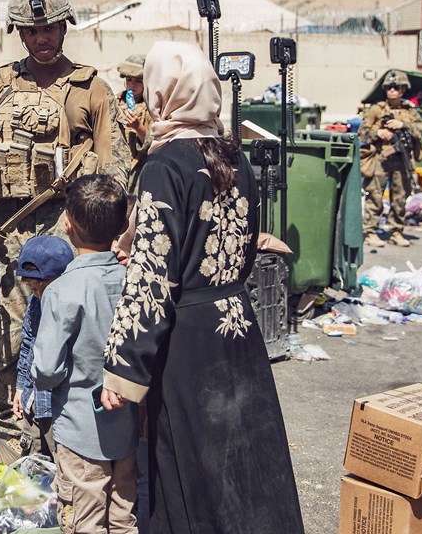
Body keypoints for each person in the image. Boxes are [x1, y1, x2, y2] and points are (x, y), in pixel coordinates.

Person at [100, 41, 304, 533]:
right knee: (244, 463)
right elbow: (244, 244)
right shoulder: (234, 158)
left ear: (162, 92)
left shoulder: (164, 166)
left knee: (187, 470)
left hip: (188, 342)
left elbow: (151, 275)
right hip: (238, 331)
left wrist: (123, 368)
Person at [0, 0, 131, 459]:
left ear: (64, 26)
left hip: (76, 239)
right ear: (19, 33)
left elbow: (118, 171)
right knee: (12, 339)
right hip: (10, 238)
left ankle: (67, 437)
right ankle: (13, 435)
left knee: (73, 338)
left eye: (49, 27)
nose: (41, 38)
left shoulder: (92, 90)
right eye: (31, 30)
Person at [32, 174, 136, 533]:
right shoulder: (133, 280)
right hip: (128, 430)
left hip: (79, 432)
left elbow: (45, 368)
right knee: (124, 517)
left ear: (67, 224)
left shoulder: (62, 290)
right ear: (124, 225)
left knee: (83, 521)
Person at [11, 235, 74, 463]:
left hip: (58, 406)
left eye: (40, 288)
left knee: (61, 465)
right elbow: (28, 342)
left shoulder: (70, 305)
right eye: (32, 289)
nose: (36, 294)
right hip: (34, 400)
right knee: (35, 463)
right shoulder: (37, 304)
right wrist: (20, 387)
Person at [359, 70, 422, 248]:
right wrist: (378, 132)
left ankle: (396, 231)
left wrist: (403, 125)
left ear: (403, 90)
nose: (392, 91)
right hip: (380, 158)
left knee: (400, 197)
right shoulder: (376, 109)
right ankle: (369, 231)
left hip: (401, 159)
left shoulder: (409, 111)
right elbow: (362, 132)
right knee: (375, 196)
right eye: (389, 87)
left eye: (396, 87)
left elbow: (420, 132)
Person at [117, 53, 154, 188]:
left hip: (141, 172)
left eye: (139, 80)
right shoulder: (115, 102)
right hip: (118, 170)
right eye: (129, 80)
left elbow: (155, 143)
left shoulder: (153, 107)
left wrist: (138, 127)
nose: (132, 85)